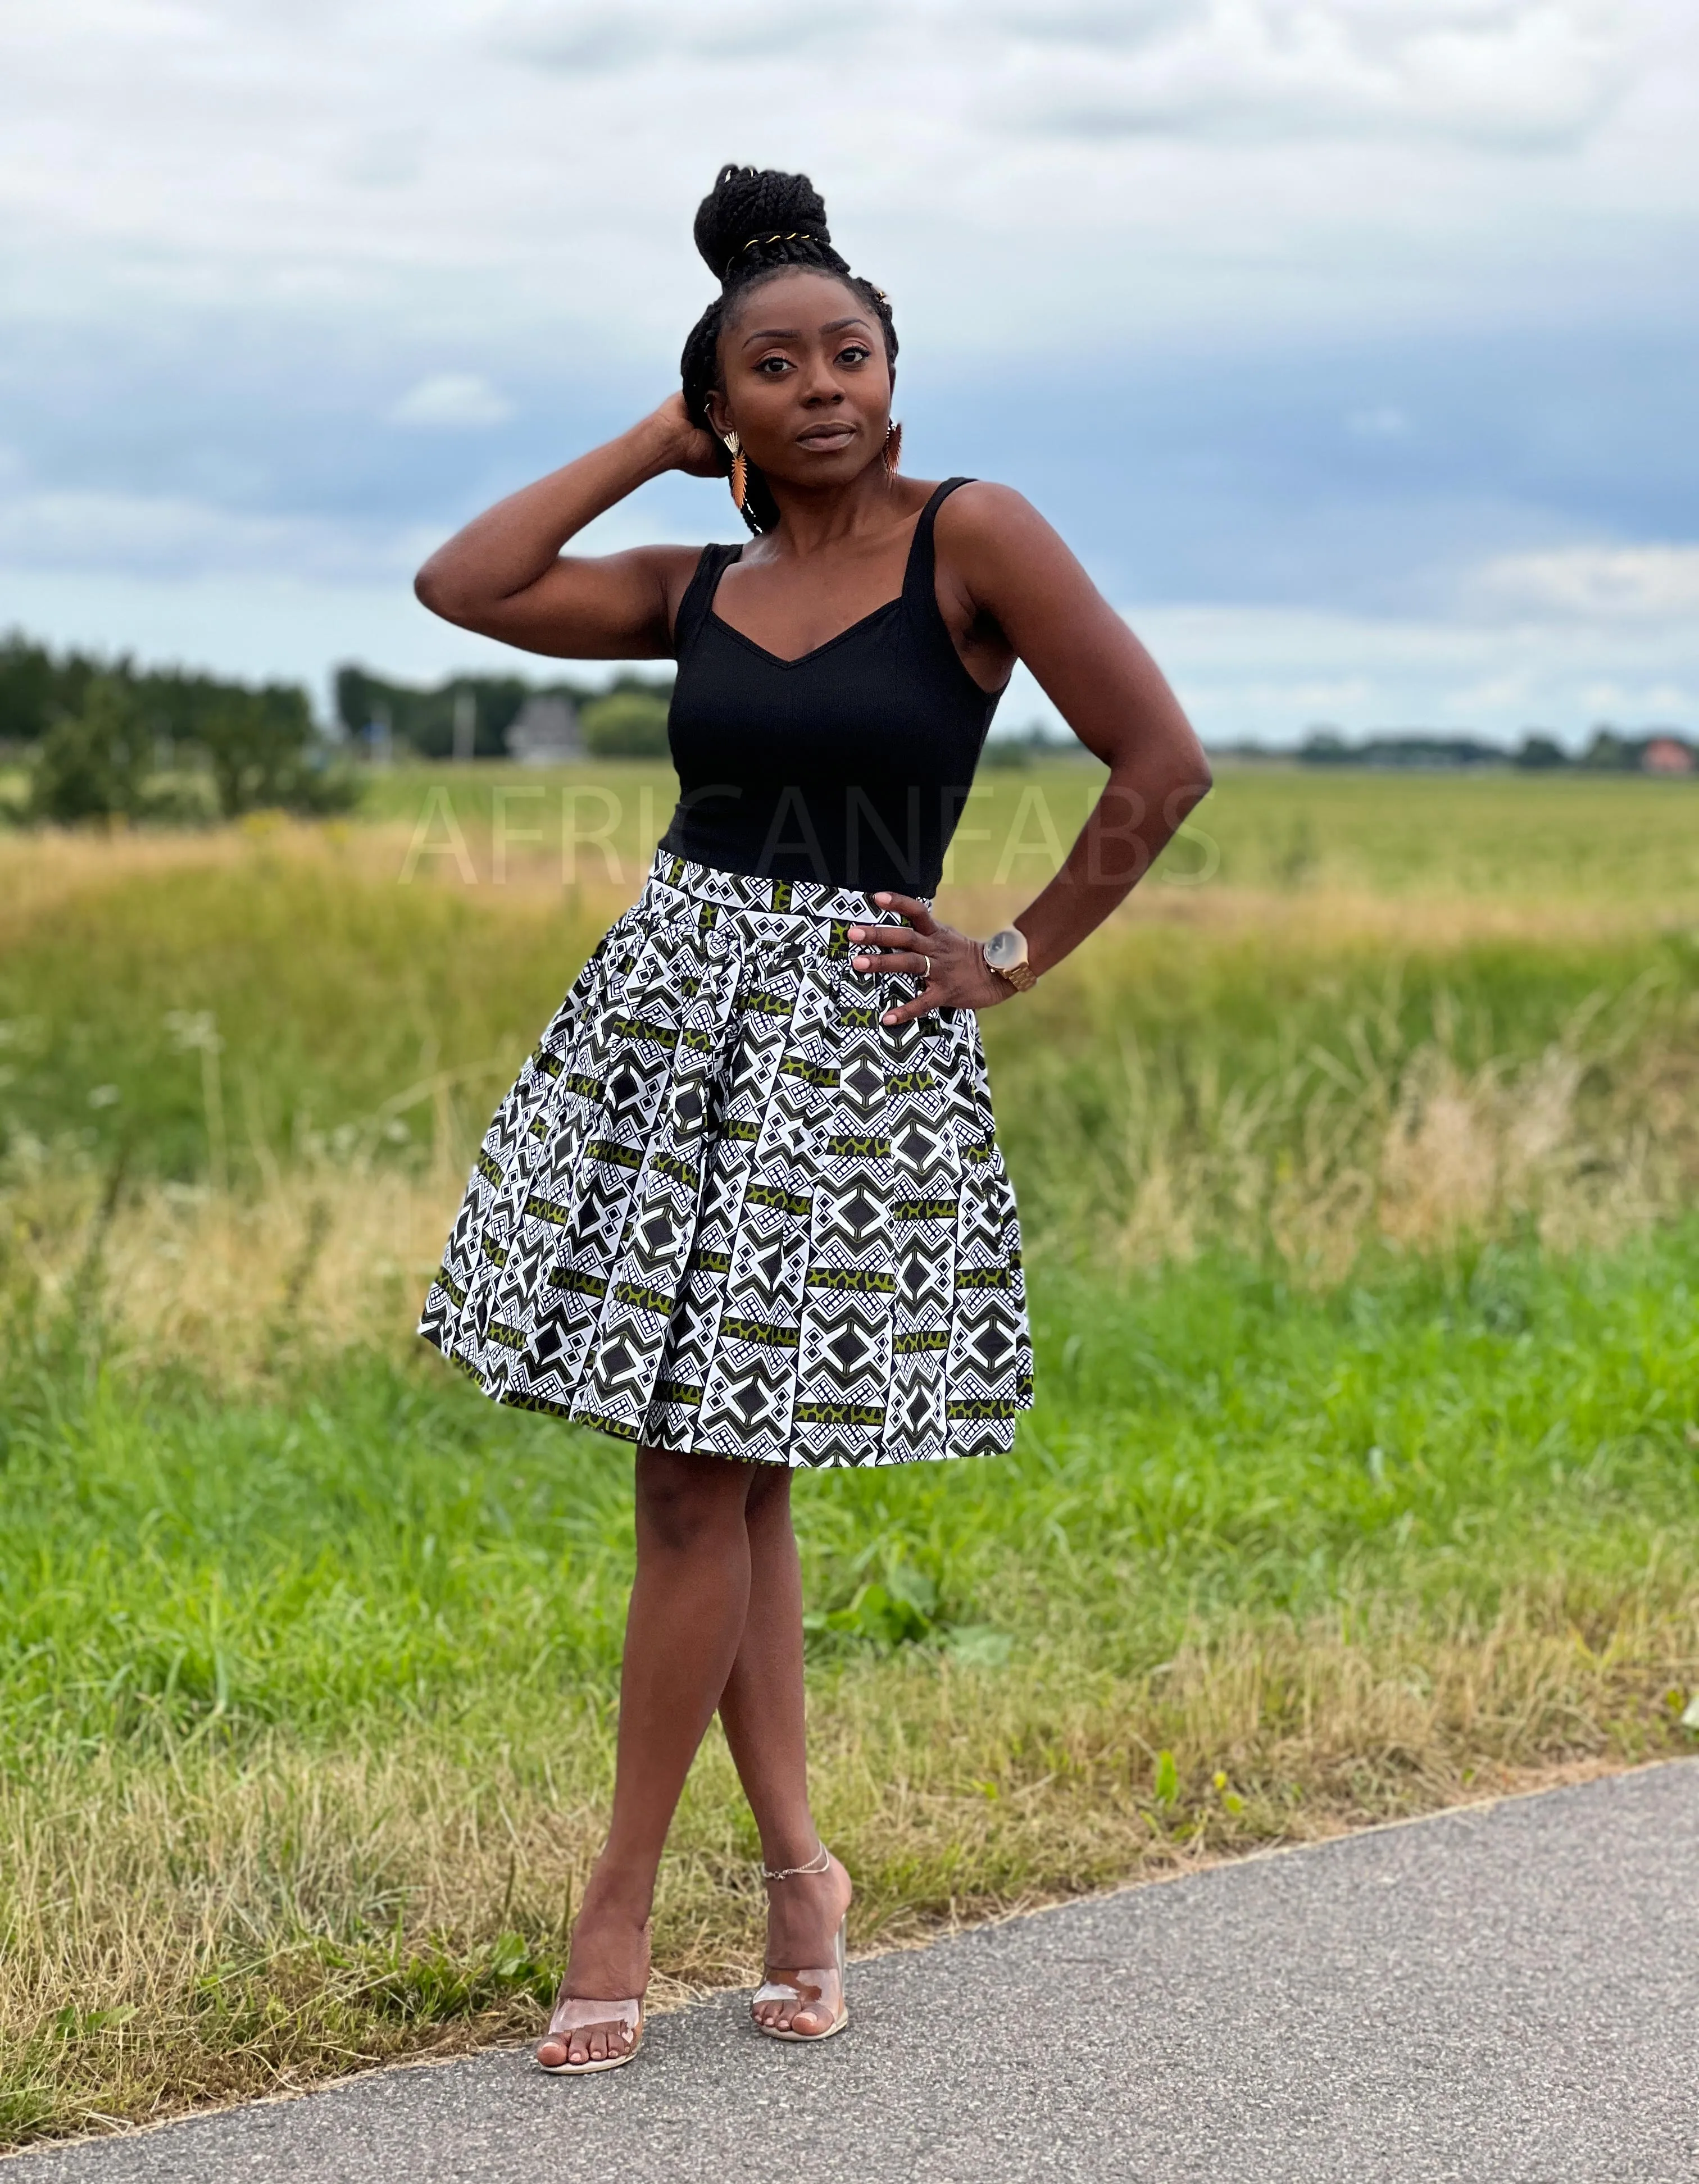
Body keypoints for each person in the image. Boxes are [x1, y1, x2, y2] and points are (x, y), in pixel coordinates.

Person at [414, 162, 1210, 2072]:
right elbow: (467, 584)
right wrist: (648, 441)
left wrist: (1007, 955)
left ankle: (617, 1903)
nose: (824, 384)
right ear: (729, 412)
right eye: (775, 367)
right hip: (670, 1030)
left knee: (701, 1478)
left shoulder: (974, 537)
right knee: (719, 1475)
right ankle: (795, 1876)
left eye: (850, 352)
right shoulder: (699, 585)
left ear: (896, 383)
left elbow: (1160, 761)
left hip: (848, 1059)